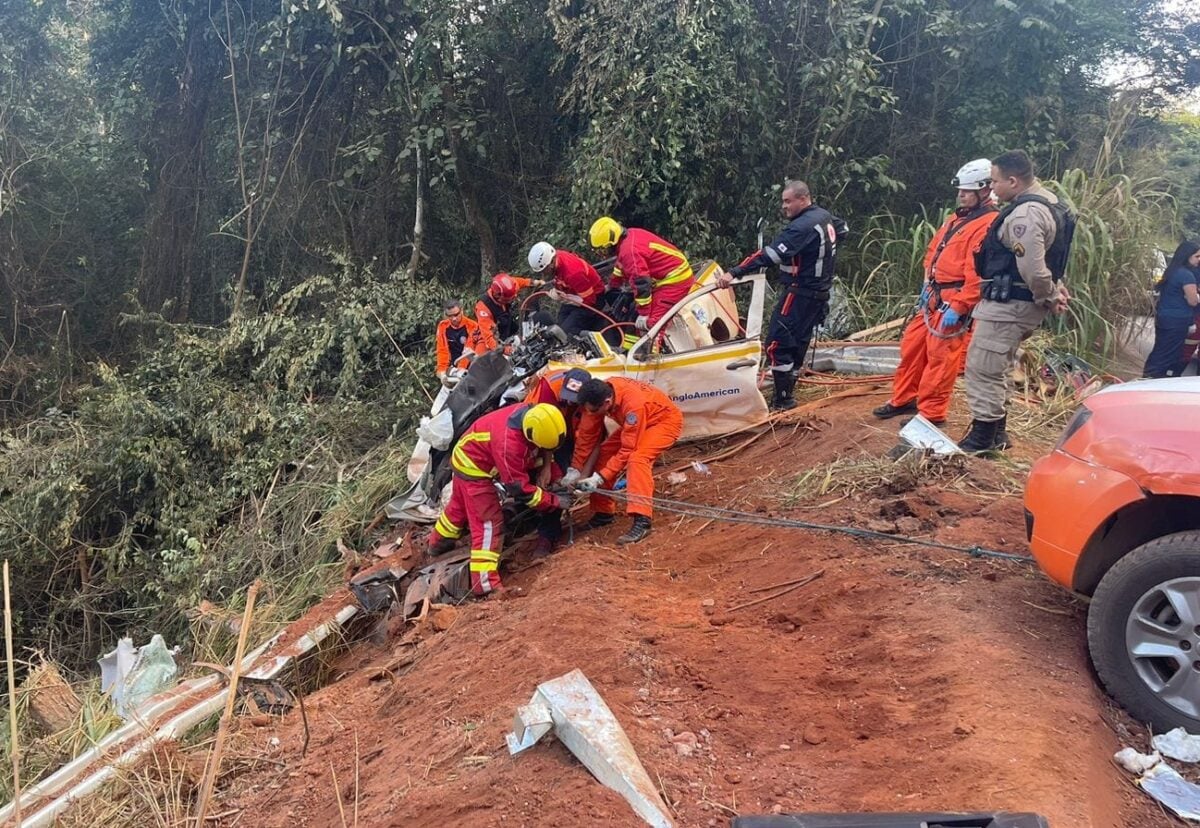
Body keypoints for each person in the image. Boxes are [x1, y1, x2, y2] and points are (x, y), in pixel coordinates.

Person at [962, 150, 1074, 453]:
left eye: (995, 181)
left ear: (1013, 180)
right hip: (1017, 306)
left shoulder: (1025, 214)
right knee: (1001, 365)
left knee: (983, 367)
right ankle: (997, 433)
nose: (993, 188)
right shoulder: (1049, 202)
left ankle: (982, 437)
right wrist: (1055, 290)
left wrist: (1049, 295)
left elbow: (1034, 267)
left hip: (1009, 305)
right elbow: (1053, 259)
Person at [873, 159, 998, 426]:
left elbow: (977, 273)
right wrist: (927, 282)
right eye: (961, 191)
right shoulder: (957, 220)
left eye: (967, 191)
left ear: (985, 190)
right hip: (934, 295)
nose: (961, 195)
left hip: (953, 300)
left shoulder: (987, 225)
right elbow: (933, 252)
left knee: (940, 359)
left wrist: (960, 306)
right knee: (912, 348)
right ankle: (904, 398)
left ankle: (931, 414)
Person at [717, 180, 846, 411]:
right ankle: (788, 390)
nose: (783, 206)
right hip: (819, 293)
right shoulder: (824, 216)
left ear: (803, 199)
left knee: (778, 343)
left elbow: (770, 255)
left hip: (799, 292)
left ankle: (783, 399)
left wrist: (734, 272)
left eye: (788, 201)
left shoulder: (801, 227)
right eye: (783, 201)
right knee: (800, 340)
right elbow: (843, 230)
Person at [426, 403, 569, 595]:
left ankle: (437, 543)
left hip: (464, 456)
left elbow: (541, 451)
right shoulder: (508, 444)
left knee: (457, 509)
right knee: (488, 525)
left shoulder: (534, 415)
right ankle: (486, 585)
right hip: (473, 468)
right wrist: (554, 501)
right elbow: (521, 491)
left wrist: (551, 470)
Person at [565, 377, 683, 545]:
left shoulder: (633, 404)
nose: (590, 415)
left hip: (663, 422)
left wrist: (599, 478)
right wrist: (575, 469)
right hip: (638, 423)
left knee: (637, 459)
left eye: (593, 411)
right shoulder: (599, 394)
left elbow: (627, 450)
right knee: (604, 453)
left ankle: (642, 520)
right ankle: (603, 512)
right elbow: (586, 435)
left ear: (607, 403)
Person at [588, 217, 695, 341]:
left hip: (675, 280)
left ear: (611, 243)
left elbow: (641, 283)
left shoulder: (629, 251)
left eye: (602, 249)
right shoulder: (628, 239)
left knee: (651, 324)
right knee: (635, 317)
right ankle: (632, 353)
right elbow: (620, 266)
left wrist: (644, 314)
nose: (602, 253)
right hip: (667, 277)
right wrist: (612, 285)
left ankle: (652, 355)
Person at [1143, 241, 1200, 378]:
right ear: (1187, 256)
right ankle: (1154, 380)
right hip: (1177, 320)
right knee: (1169, 353)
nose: (1199, 259)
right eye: (1197, 256)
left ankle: (1149, 378)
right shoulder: (1187, 275)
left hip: (1166, 317)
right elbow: (1192, 301)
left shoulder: (1173, 271)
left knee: (1161, 350)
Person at [528, 242, 608, 336]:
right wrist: (560, 293)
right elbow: (562, 281)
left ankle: (594, 339)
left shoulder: (573, 273)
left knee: (566, 332)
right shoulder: (557, 258)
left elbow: (590, 301)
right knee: (560, 325)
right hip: (577, 295)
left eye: (544, 270)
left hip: (594, 299)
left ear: (551, 263)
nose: (543, 274)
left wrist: (567, 299)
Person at [473, 272, 545, 354]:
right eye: (508, 299)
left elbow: (519, 282)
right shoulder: (483, 308)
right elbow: (488, 337)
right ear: (497, 296)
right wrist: (504, 350)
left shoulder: (510, 288)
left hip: (508, 323)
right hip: (494, 334)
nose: (511, 300)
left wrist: (534, 282)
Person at [435, 300, 480, 387]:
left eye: (456, 315)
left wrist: (461, 370)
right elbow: (442, 350)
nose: (454, 319)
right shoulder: (443, 326)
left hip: (470, 365)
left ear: (461, 311)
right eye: (450, 316)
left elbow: (468, 351)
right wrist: (442, 373)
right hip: (453, 368)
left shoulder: (472, 326)